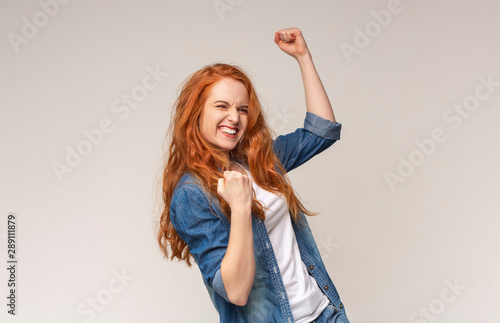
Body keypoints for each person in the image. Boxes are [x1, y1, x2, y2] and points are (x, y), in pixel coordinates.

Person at [157, 27, 350, 323]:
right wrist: (240, 207)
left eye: (242, 109)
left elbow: (322, 131)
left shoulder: (259, 160)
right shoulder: (191, 194)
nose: (234, 117)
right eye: (221, 106)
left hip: (325, 313)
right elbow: (236, 292)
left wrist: (303, 57)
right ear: (195, 113)